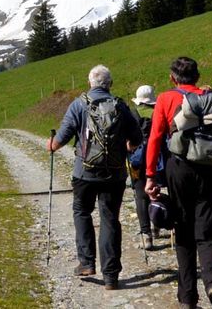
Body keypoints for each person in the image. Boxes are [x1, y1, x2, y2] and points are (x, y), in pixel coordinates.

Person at [145, 57, 212, 309]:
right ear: (197, 76)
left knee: (182, 228)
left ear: (173, 78)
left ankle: (187, 297)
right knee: (208, 229)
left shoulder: (165, 98)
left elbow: (155, 138)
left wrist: (151, 176)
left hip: (179, 167)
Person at [47, 64, 142, 291]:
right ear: (109, 84)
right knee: (110, 219)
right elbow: (137, 137)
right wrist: (127, 145)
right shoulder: (119, 105)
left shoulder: (78, 104)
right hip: (115, 173)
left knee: (82, 212)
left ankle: (87, 263)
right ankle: (111, 276)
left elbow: (59, 140)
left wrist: (51, 145)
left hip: (85, 173)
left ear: (90, 82)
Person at [129, 84, 159, 248]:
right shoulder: (158, 112)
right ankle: (157, 223)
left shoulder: (133, 113)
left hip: (137, 160)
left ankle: (146, 234)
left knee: (140, 195)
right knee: (157, 190)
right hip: (159, 158)